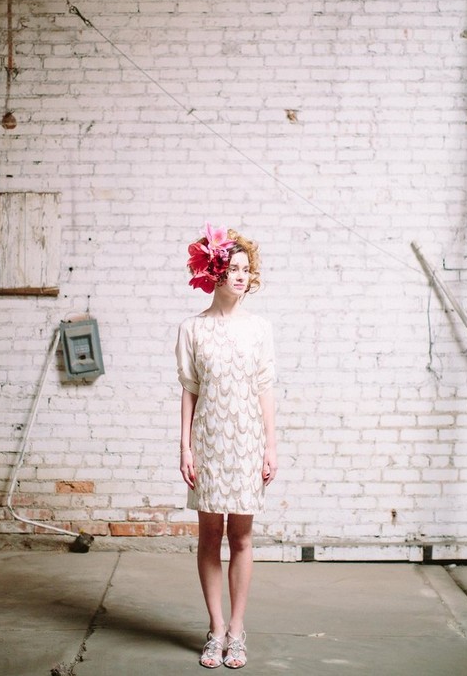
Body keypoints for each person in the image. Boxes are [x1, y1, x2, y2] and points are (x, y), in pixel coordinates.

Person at [175, 222, 277, 669]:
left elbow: (265, 388)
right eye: (233, 268)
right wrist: (185, 446)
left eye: (246, 269)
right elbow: (189, 389)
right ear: (214, 273)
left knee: (241, 535)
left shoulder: (260, 329)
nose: (241, 276)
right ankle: (215, 629)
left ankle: (238, 630)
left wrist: (271, 445)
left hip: (248, 440)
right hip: (210, 441)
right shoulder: (192, 330)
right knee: (209, 535)